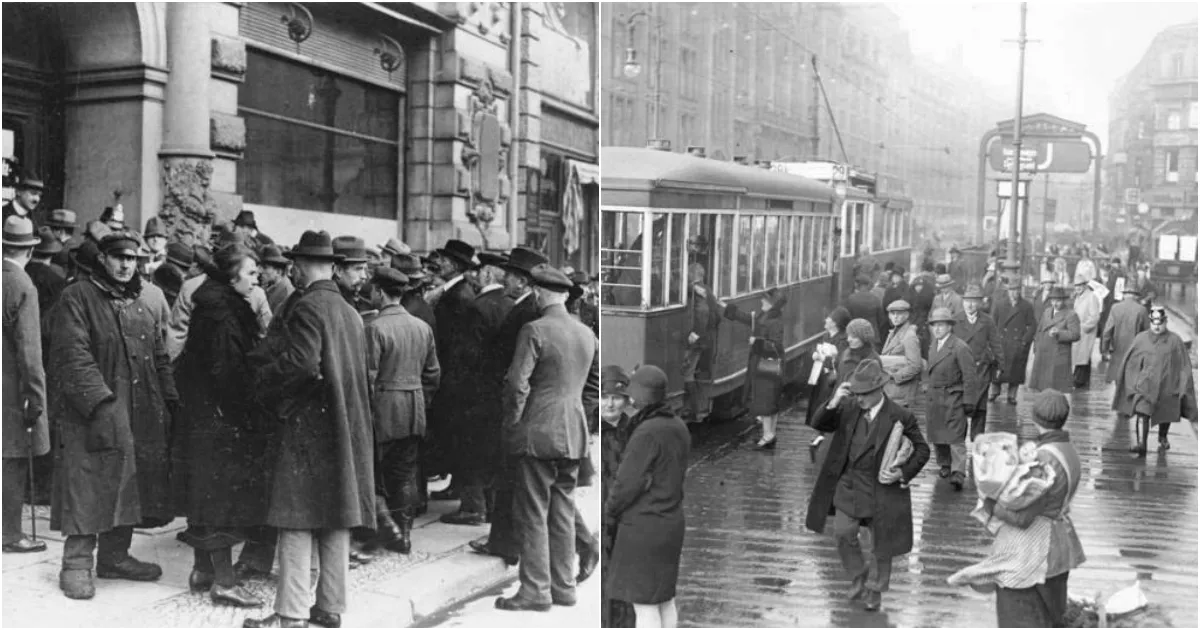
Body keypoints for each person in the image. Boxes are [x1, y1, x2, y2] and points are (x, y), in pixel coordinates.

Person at [245, 230, 376, 628]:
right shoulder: (349, 311)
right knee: (336, 515)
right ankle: (330, 606)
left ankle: (291, 613)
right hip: (344, 426)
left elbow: (302, 366)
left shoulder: (306, 307)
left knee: (295, 518)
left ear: (301, 267)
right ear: (333, 267)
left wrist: (266, 381)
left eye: (296, 267)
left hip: (308, 428)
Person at [49, 233, 179, 599]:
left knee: (129, 484)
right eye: (118, 258)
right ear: (102, 259)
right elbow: (72, 356)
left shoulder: (141, 301)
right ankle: (76, 564)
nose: (126, 265)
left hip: (140, 409)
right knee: (88, 483)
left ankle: (115, 556)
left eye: (133, 259)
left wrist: (169, 399)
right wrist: (102, 404)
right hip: (93, 412)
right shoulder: (76, 297)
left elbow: (159, 354)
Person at [496, 265, 598, 612]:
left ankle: (535, 591)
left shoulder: (534, 329)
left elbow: (516, 384)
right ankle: (564, 587)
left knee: (533, 512)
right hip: (573, 432)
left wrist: (513, 423)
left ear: (539, 293)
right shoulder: (586, 333)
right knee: (562, 511)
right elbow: (593, 389)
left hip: (538, 432)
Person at [172, 244, 268, 607]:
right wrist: (246, 412)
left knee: (203, 494)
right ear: (232, 277)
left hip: (199, 415)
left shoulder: (210, 304)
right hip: (220, 419)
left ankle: (203, 571)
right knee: (222, 500)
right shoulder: (227, 315)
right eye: (251, 273)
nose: (256, 279)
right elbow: (227, 373)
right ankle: (225, 582)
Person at [949, 390, 1085, 627]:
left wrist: (990, 503)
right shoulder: (1068, 450)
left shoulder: (1043, 459)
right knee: (1052, 613)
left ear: (1034, 418)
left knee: (1021, 614)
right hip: (1061, 541)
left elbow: (1022, 518)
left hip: (1034, 550)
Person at [805, 359, 930, 613]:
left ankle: (875, 589)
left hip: (881, 490)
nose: (858, 398)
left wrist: (903, 474)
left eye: (863, 394)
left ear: (878, 391)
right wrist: (834, 401)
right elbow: (818, 423)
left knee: (882, 545)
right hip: (848, 484)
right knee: (842, 533)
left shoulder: (900, 415)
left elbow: (922, 450)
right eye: (856, 393)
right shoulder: (849, 408)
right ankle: (858, 573)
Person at [470, 247, 550, 564]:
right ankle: (503, 541)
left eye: (509, 275)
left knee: (511, 476)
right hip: (515, 402)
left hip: (514, 405)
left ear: (521, 281)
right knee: (511, 477)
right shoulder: (525, 307)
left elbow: (515, 366)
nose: (504, 280)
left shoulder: (526, 312)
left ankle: (505, 543)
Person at [606, 365, 690, 627]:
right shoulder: (677, 426)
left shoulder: (647, 432)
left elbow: (626, 484)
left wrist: (611, 510)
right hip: (671, 522)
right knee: (664, 600)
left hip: (644, 527)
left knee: (644, 606)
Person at [364, 267, 440, 553]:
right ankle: (404, 535)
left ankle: (382, 531)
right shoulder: (422, 327)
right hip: (414, 408)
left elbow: (368, 378)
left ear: (381, 293)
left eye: (372, 290)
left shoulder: (374, 328)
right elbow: (433, 374)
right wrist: (419, 398)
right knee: (406, 472)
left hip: (383, 410)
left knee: (375, 472)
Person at [443, 252, 513, 526]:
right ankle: (491, 506)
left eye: (481, 270)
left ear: (487, 274)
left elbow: (465, 356)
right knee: (493, 451)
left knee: (471, 449)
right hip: (498, 390)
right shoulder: (509, 304)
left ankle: (473, 507)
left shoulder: (478, 307)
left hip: (474, 392)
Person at [2, 216, 50, 554]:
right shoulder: (23, 286)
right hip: (10, 387)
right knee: (14, 459)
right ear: (30, 251)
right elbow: (30, 352)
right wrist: (36, 397)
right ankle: (10, 533)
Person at [426, 240, 479, 504]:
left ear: (456, 265)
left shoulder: (458, 296)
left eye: (445, 260)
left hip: (452, 376)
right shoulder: (455, 292)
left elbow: (453, 342)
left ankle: (458, 486)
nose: (440, 263)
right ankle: (455, 484)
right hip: (452, 374)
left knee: (455, 433)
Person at [1112, 306, 1198, 457]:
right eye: (1154, 322)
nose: (1157, 326)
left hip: (1168, 385)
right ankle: (1141, 444)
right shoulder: (1141, 339)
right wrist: (1133, 382)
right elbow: (1131, 362)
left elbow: (1184, 365)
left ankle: (1162, 436)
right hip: (1145, 386)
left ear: (1166, 322)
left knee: (1166, 413)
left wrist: (1182, 385)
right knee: (1142, 413)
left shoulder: (1175, 341)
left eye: (1160, 322)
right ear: (1150, 322)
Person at [723, 288, 788, 448]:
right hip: (765, 362)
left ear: (772, 305)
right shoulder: (766, 316)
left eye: (765, 301)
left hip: (768, 363)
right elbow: (749, 320)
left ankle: (767, 436)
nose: (761, 302)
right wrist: (729, 309)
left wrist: (757, 342)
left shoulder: (775, 322)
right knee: (769, 399)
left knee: (766, 399)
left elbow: (776, 345)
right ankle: (770, 434)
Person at [925, 307, 980, 491]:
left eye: (941, 325)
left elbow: (970, 376)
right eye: (934, 325)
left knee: (956, 436)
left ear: (950, 326)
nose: (937, 329)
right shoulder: (934, 345)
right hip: (935, 397)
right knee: (937, 433)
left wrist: (969, 401)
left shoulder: (959, 347)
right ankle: (944, 464)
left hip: (953, 397)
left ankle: (958, 472)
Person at [599, 365, 636, 628]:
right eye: (605, 396)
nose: (610, 403)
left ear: (625, 401)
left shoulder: (635, 432)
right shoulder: (593, 427)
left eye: (616, 397)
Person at [955, 285, 1003, 440]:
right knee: (960, 406)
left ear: (980, 303)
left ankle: (977, 443)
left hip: (981, 369)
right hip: (960, 370)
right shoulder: (955, 320)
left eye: (974, 301)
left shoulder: (987, 321)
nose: (970, 305)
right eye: (967, 301)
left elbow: (995, 342)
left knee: (980, 408)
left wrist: (1001, 364)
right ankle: (959, 441)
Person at [806, 307, 853, 449]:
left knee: (827, 404)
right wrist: (815, 354)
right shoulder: (827, 335)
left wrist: (823, 358)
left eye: (829, 319)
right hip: (823, 375)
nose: (826, 320)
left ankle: (823, 434)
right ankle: (819, 432)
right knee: (819, 403)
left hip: (833, 378)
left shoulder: (843, 340)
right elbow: (820, 350)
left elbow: (841, 360)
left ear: (836, 323)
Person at [990, 269, 1037, 405]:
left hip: (1017, 343)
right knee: (998, 368)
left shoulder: (1026, 306)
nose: (1014, 293)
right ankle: (994, 391)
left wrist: (1024, 341)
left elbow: (1033, 325)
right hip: (1002, 342)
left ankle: (1012, 395)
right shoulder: (999, 304)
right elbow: (992, 323)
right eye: (1012, 290)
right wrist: (993, 340)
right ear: (1008, 290)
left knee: (1015, 371)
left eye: (1017, 290)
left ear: (1020, 290)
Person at [681, 262, 721, 422]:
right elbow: (716, 317)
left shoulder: (699, 292)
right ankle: (695, 409)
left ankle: (694, 410)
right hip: (705, 340)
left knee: (687, 373)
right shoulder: (707, 290)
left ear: (691, 275)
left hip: (697, 341)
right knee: (690, 373)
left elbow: (703, 312)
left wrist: (696, 333)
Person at [1027, 287, 1081, 393]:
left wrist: (1059, 333)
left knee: (1056, 387)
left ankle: (1056, 407)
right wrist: (1036, 347)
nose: (1055, 303)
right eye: (1053, 300)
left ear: (1064, 300)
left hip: (1058, 355)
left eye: (1058, 301)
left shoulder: (1071, 315)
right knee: (1041, 386)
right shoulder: (1047, 311)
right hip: (1043, 353)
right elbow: (1039, 330)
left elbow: (1076, 335)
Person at [1101, 281, 1148, 385]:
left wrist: (1105, 350)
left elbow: (1107, 332)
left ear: (1124, 294)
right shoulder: (1142, 310)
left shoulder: (1115, 308)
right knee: (1133, 383)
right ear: (1136, 296)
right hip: (1136, 353)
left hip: (1118, 351)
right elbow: (1148, 335)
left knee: (1118, 383)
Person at [879, 300, 923, 407]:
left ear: (907, 315)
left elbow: (915, 366)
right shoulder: (893, 333)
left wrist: (893, 376)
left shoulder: (909, 336)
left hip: (902, 392)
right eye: (892, 314)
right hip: (892, 391)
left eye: (899, 314)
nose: (895, 317)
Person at [1070, 275, 1101, 389]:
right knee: (1082, 356)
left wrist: (1083, 327)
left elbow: (1094, 317)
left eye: (1080, 285)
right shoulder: (1079, 297)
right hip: (1079, 331)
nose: (1077, 288)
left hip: (1085, 332)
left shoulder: (1091, 297)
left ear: (1085, 285)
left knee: (1083, 356)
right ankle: (1082, 380)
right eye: (1076, 285)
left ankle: (1080, 380)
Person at [332, 236, 373, 314]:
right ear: (338, 271)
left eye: (365, 269)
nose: (364, 276)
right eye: (358, 269)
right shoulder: (330, 305)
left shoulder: (365, 304)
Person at [845, 273, 884, 339]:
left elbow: (847, 317)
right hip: (873, 335)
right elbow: (881, 319)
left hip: (855, 335)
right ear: (868, 285)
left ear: (856, 284)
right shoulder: (875, 299)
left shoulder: (851, 298)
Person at [258, 245, 294, 315]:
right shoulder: (271, 286)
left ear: (278, 272)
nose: (260, 271)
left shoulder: (286, 293)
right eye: (259, 266)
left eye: (265, 267)